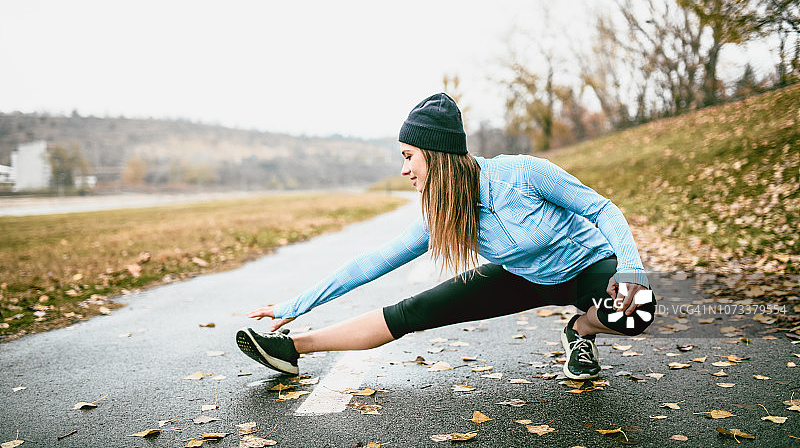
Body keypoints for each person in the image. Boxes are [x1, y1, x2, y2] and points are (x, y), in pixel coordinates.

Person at [236, 93, 656, 380]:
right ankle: (291, 349)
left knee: (636, 312)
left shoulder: (525, 174)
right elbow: (374, 261)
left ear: (436, 154)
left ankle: (580, 330)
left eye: (409, 156)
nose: (404, 169)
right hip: (523, 276)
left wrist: (631, 269)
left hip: (587, 265)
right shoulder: (443, 213)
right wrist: (297, 305)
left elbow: (602, 209)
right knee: (412, 311)